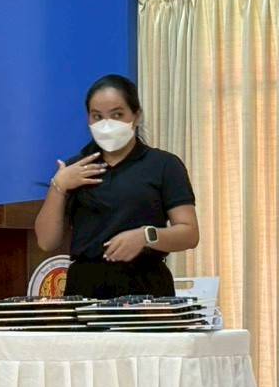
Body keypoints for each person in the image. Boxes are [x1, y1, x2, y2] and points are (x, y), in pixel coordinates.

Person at [34, 73, 199, 299]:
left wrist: (146, 236)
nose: (107, 125)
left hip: (146, 287)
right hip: (85, 289)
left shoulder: (163, 165)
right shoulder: (76, 167)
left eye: (117, 115)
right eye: (97, 116)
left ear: (136, 116)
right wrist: (58, 186)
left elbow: (189, 233)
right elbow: (46, 241)